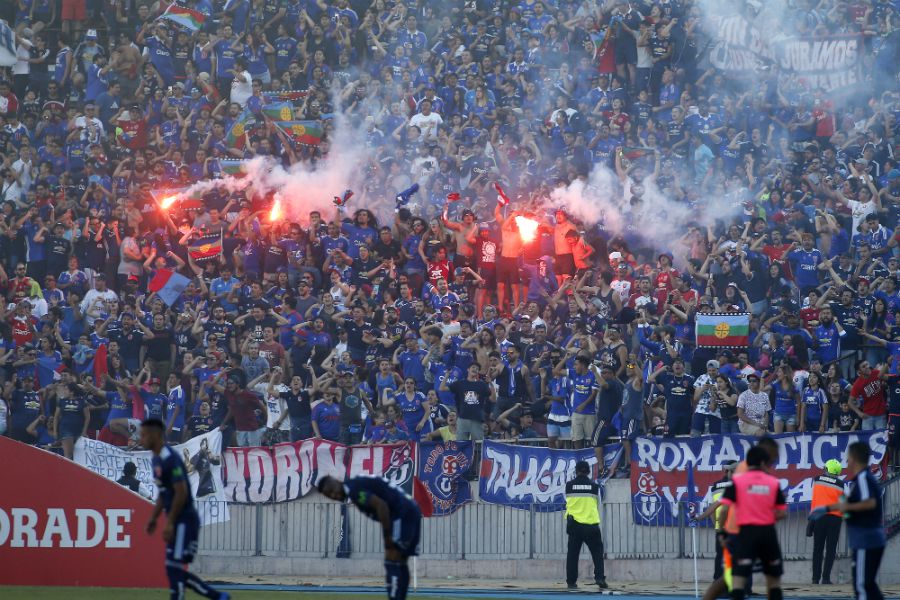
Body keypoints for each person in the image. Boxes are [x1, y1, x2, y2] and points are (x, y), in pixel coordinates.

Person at [140, 418, 229, 600]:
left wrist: (170, 523)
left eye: (144, 435)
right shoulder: (156, 459)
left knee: (174, 566)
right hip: (177, 520)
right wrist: (153, 518)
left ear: (156, 436)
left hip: (185, 520)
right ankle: (218, 597)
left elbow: (180, 493)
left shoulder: (170, 459)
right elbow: (164, 493)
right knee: (173, 567)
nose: (141, 439)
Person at [317, 476, 421, 600]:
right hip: (411, 509)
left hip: (402, 514)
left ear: (337, 481)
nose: (333, 495)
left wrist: (387, 537)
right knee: (401, 561)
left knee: (392, 558)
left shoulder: (354, 490)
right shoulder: (355, 485)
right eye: (329, 495)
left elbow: (381, 505)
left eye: (332, 490)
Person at [819, 442, 886, 600]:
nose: (847, 462)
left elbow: (869, 503)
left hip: (866, 540)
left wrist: (845, 507)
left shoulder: (863, 478)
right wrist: (829, 508)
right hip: (866, 539)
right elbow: (850, 504)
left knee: (861, 586)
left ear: (854, 458)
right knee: (869, 586)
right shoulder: (862, 480)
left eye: (848, 458)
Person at [719, 446, 787, 600]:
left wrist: (722, 532)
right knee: (773, 580)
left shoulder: (737, 481)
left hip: (745, 534)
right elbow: (782, 513)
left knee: (738, 579)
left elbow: (724, 510)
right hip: (767, 533)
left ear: (747, 463)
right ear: (763, 463)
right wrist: (766, 517)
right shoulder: (773, 482)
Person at [564, 460, 607, 591]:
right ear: (588, 471)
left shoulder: (569, 486)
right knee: (597, 554)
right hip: (591, 524)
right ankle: (599, 578)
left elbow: (566, 501)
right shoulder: (594, 487)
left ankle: (571, 582)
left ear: (576, 471)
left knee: (572, 555)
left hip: (575, 525)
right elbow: (599, 502)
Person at [809, 459, 844, 585]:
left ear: (827, 469)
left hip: (819, 518)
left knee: (817, 549)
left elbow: (815, 500)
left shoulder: (817, 479)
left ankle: (815, 578)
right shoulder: (841, 484)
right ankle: (826, 578)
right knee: (830, 550)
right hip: (835, 519)